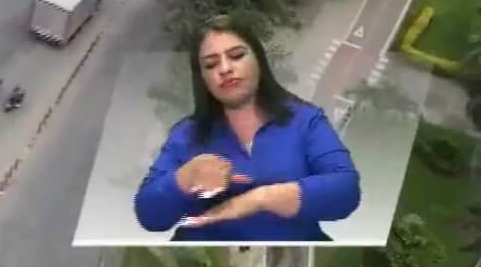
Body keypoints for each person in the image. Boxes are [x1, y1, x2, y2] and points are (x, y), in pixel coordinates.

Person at [133, 15, 360, 241]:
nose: (224, 69)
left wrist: (261, 198)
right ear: (202, 78)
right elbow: (148, 216)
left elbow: (346, 190)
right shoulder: (186, 135)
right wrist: (184, 178)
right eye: (211, 64)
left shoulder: (305, 120)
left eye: (236, 56)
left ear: (258, 60)